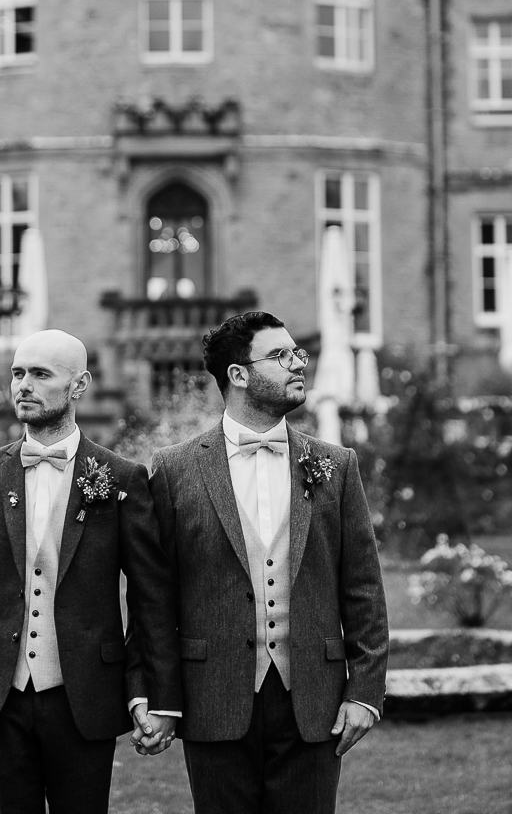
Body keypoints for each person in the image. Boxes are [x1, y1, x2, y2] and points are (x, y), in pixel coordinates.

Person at [149, 310, 389, 813]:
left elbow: (363, 587)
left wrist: (365, 692)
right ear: (238, 375)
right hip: (212, 694)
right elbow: (155, 600)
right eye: (279, 356)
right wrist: (160, 697)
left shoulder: (336, 465)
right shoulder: (173, 470)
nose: (297, 364)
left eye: (296, 353)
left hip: (314, 699)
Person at [0, 329, 182, 813]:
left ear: (79, 385)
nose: (23, 385)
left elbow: (152, 599)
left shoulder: (121, 478)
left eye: (40, 374)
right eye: (18, 373)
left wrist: (153, 694)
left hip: (85, 696)